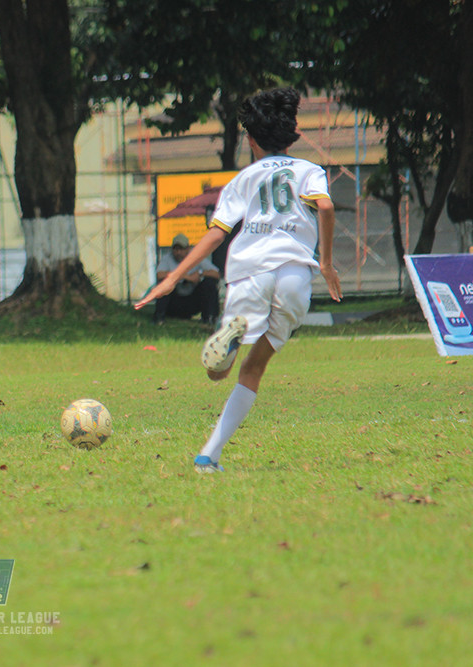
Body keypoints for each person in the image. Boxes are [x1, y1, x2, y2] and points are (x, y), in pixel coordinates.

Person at [135, 87, 342, 473]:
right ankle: (208, 455)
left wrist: (171, 278)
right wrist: (326, 263)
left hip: (248, 269)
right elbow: (326, 207)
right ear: (290, 133)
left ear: (250, 139)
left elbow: (217, 233)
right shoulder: (308, 172)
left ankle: (229, 336)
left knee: (218, 372)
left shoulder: (242, 180)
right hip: (295, 273)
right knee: (255, 367)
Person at [152, 233, 221, 325]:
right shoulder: (167, 259)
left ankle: (210, 317)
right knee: (163, 284)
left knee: (209, 283)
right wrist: (184, 276)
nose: (178, 252)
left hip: (193, 300)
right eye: (176, 249)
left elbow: (216, 274)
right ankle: (159, 317)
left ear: (188, 249)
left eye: (181, 249)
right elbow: (159, 275)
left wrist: (200, 274)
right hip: (175, 301)